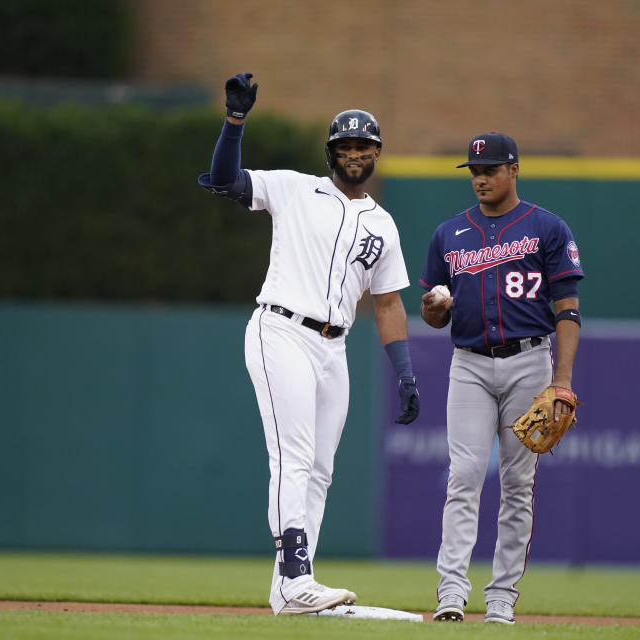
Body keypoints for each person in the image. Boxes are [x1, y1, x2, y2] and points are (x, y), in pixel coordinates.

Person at [197, 73, 421, 615]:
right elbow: (226, 180)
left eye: (363, 147)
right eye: (344, 147)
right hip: (281, 330)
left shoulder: (384, 226)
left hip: (334, 347)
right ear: (331, 153)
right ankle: (298, 574)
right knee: (293, 458)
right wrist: (235, 121)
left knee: (321, 468)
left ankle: (288, 590)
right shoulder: (295, 187)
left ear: (376, 155)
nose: (354, 155)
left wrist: (405, 371)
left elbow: (388, 304)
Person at [419, 132, 583, 625]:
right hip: (468, 363)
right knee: (463, 477)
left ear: (514, 170)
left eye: (490, 169)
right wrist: (432, 309)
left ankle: (501, 599)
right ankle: (451, 594)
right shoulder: (449, 234)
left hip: (529, 361)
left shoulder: (546, 227)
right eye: (474, 170)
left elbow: (568, 310)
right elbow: (432, 317)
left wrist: (562, 382)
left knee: (517, 483)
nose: (480, 178)